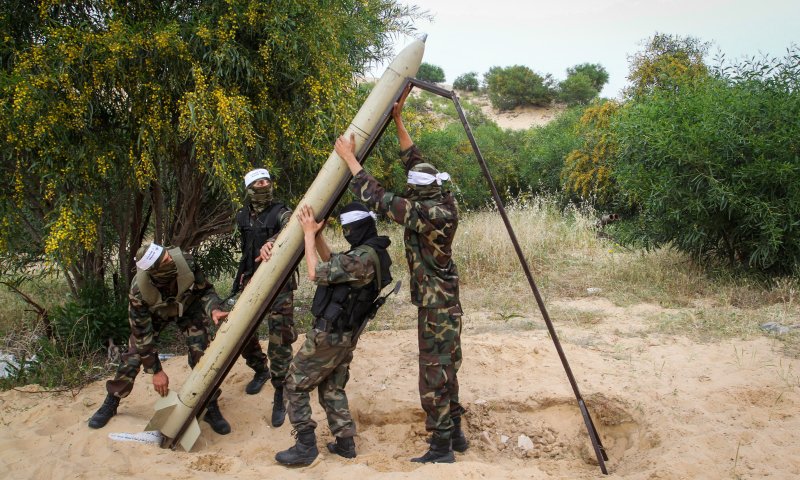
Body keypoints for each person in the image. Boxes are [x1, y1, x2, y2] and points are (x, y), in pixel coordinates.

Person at [334, 85, 468, 463]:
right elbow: (414, 158)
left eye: (411, 187)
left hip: (437, 305)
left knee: (433, 374)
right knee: (446, 368)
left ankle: (441, 446)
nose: (407, 187)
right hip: (444, 301)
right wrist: (397, 120)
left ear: (419, 192)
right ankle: (454, 433)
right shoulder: (439, 195)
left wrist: (350, 159)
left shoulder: (429, 214)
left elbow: (377, 198)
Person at [275, 202, 392, 466]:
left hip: (329, 335)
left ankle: (305, 446)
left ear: (358, 227)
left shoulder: (361, 259)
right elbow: (333, 263)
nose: (347, 233)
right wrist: (317, 236)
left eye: (349, 228)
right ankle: (345, 443)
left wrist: (306, 234)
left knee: (294, 383)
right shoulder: (372, 253)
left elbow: (316, 272)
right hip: (345, 336)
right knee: (331, 387)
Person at [88, 243, 232, 435]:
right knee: (132, 357)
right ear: (154, 272)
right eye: (165, 260)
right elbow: (141, 335)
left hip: (186, 309)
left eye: (168, 255)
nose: (171, 259)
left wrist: (213, 309)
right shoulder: (139, 290)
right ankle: (112, 400)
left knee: (202, 355)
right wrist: (156, 370)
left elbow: (204, 290)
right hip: (156, 315)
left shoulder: (186, 262)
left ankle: (210, 404)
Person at [230, 168, 298, 427]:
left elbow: (292, 226)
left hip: (279, 284)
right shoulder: (242, 216)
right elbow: (246, 250)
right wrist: (242, 276)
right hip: (251, 281)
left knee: (279, 338)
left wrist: (274, 240)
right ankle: (261, 369)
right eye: (258, 182)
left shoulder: (280, 211)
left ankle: (280, 391)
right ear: (249, 188)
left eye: (266, 181)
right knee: (240, 331)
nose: (264, 185)